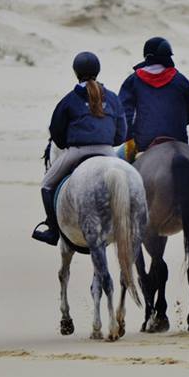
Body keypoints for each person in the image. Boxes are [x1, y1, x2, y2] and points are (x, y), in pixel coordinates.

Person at [32, 52, 127, 245]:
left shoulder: (69, 99)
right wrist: (107, 141)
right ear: (98, 71)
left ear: (76, 72)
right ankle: (132, 226)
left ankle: (52, 231)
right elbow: (121, 133)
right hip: (107, 151)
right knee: (130, 182)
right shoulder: (113, 98)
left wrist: (67, 144)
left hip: (78, 151)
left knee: (46, 185)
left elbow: (56, 132)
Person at [118, 37, 189, 153]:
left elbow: (124, 115)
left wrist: (129, 138)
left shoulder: (133, 81)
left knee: (119, 158)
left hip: (144, 143)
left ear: (147, 56)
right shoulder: (181, 80)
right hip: (179, 141)